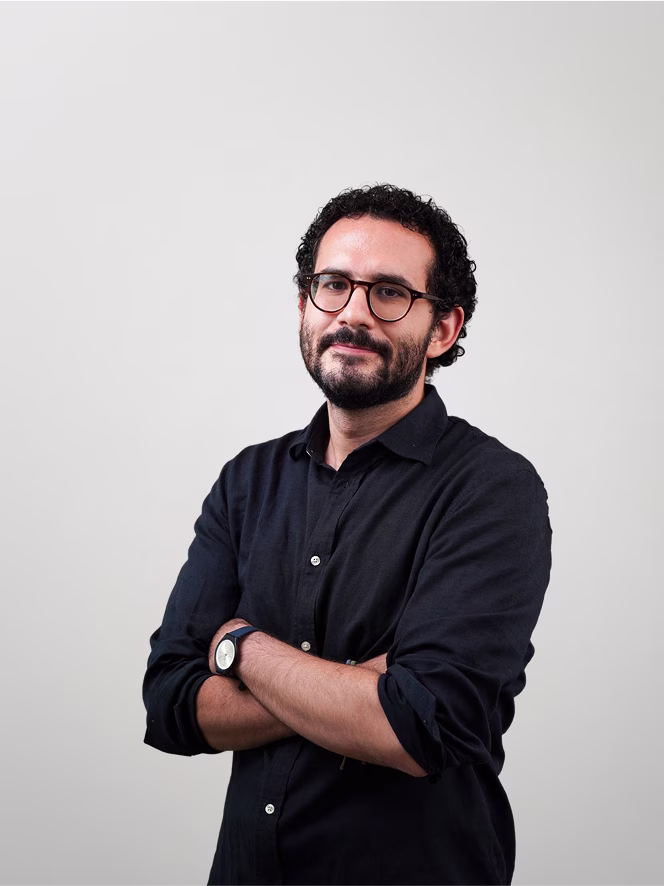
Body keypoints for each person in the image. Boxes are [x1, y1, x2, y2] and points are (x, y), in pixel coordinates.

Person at [142, 184, 553, 885]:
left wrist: (241, 648)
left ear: (444, 329)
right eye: (333, 285)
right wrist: (360, 689)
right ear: (305, 306)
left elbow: (418, 727)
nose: (353, 313)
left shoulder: (491, 488)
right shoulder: (248, 481)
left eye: (389, 292)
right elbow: (172, 706)